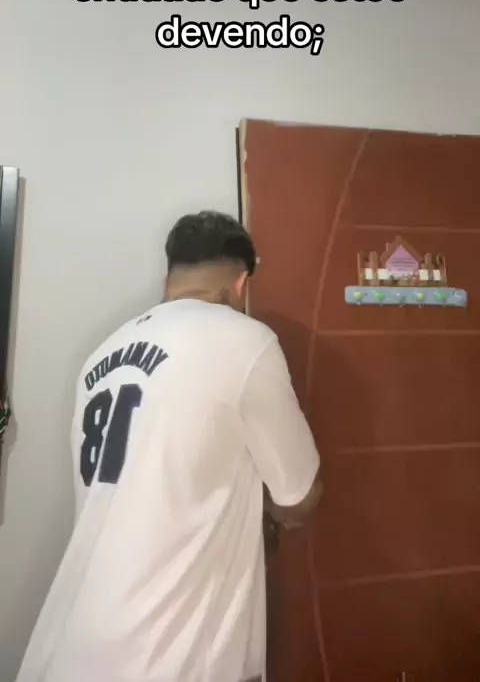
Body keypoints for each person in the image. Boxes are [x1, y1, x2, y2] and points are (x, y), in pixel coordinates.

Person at [17, 211, 322, 682]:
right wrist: (265, 509)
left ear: (168, 281)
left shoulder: (101, 356)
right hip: (172, 654)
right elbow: (300, 496)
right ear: (240, 285)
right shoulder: (244, 339)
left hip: (72, 646)